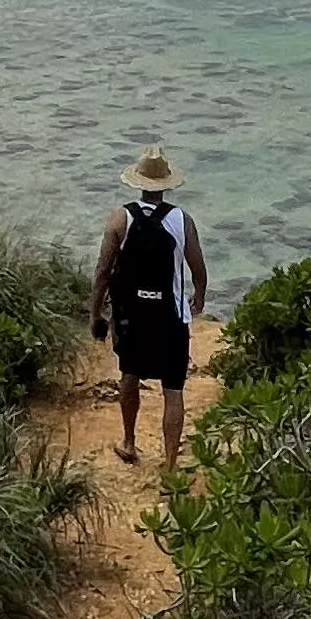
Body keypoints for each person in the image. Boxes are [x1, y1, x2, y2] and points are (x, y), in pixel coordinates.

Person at [91, 149, 211, 468]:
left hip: (132, 318)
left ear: (138, 184)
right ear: (166, 186)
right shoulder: (181, 220)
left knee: (129, 376)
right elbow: (197, 266)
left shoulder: (120, 219)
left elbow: (102, 271)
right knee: (173, 389)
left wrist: (95, 313)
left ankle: (129, 442)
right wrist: (199, 297)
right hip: (169, 319)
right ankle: (170, 465)